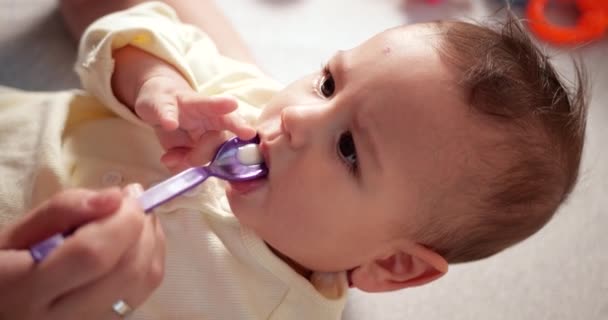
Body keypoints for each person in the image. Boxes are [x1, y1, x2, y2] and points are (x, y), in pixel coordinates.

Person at [0, 0, 587, 319]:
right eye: (330, 83)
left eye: (350, 149)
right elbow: (135, 21)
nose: (299, 116)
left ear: (395, 267)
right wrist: (152, 78)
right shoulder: (236, 99)